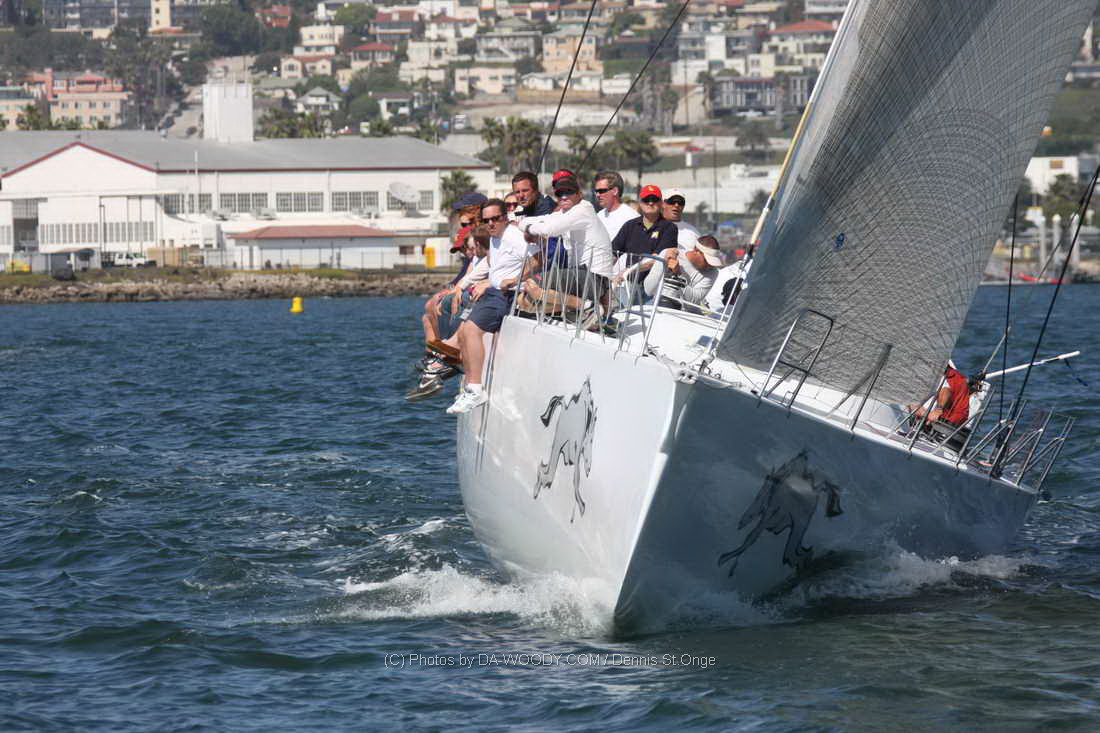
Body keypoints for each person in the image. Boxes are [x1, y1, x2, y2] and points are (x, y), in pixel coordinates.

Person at [447, 199, 541, 415]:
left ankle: (475, 389)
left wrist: (515, 279)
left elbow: (539, 259)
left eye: (495, 219)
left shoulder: (514, 236)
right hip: (493, 291)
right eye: (486, 220)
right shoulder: (495, 238)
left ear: (505, 218)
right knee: (464, 333)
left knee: (471, 331)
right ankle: (471, 387)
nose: (490, 223)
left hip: (505, 294)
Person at [517, 173, 614, 319]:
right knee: (523, 302)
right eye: (559, 193)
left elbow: (550, 230)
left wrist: (529, 229)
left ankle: (587, 307)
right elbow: (537, 221)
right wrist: (526, 226)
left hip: (594, 277)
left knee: (532, 284)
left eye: (568, 192)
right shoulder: (565, 212)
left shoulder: (583, 209)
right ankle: (583, 308)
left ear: (579, 194)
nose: (563, 196)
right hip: (581, 274)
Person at [610, 184, 680, 292]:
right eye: (646, 199)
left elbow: (658, 259)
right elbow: (612, 254)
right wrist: (603, 276)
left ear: (661, 203)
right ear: (640, 203)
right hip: (629, 286)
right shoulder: (630, 225)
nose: (650, 203)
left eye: (654, 199)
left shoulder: (669, 228)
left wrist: (628, 271)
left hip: (654, 289)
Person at [642, 235, 722, 311]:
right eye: (707, 260)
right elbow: (649, 290)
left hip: (686, 314)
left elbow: (693, 302)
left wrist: (678, 275)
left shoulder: (713, 272)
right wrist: (663, 264)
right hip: (657, 305)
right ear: (696, 251)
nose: (710, 265)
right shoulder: (668, 253)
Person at [593, 170, 639, 242]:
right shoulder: (599, 216)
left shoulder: (632, 217)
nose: (598, 195)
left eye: (602, 191)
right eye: (596, 191)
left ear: (615, 191)